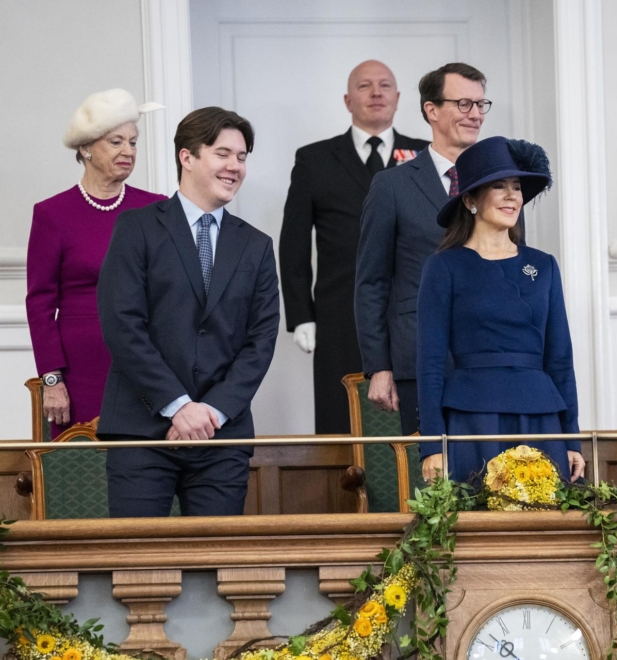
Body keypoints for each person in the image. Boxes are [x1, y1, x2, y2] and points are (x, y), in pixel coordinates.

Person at [97, 107, 280, 517]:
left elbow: (261, 341)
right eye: (223, 154)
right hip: (141, 430)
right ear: (187, 157)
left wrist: (210, 411)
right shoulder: (136, 228)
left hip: (222, 435)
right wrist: (178, 405)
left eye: (243, 156)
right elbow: (122, 325)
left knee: (215, 571)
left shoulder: (256, 246)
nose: (235, 166)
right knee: (139, 568)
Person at [417, 136, 585, 485]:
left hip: (541, 417)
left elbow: (560, 359)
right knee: (473, 527)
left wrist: (572, 440)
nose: (512, 196)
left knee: (547, 529)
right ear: (470, 200)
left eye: (517, 187)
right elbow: (430, 363)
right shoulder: (444, 267)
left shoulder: (544, 265)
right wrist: (432, 444)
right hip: (471, 418)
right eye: (499, 186)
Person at [279, 60, 429, 433]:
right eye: (365, 86)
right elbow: (294, 242)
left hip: (414, 309)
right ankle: (341, 494)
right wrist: (301, 315)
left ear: (397, 98)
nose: (376, 93)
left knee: (415, 419)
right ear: (348, 100)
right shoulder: (313, 159)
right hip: (339, 314)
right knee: (340, 418)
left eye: (385, 85)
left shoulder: (427, 157)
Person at [355, 62, 495, 435]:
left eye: (481, 105)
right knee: (434, 479)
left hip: (492, 359)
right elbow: (372, 283)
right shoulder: (392, 186)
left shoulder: (500, 186)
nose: (475, 114)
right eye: (464, 104)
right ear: (431, 110)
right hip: (419, 358)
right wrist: (379, 367)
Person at [26, 89, 167, 438]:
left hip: (144, 357)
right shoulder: (52, 214)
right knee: (81, 473)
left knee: (144, 462)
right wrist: (53, 378)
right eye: (116, 141)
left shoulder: (156, 209)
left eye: (134, 142)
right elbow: (40, 303)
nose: (128, 152)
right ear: (86, 148)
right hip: (80, 366)